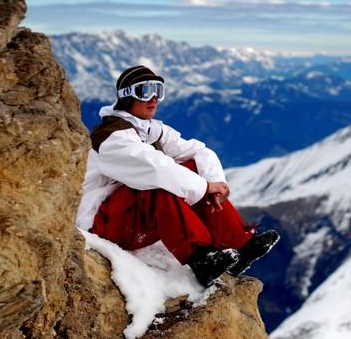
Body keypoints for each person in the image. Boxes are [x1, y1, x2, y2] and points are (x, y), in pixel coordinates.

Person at [76, 65, 279, 287]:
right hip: (102, 224)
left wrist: (214, 182)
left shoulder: (150, 130)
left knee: (192, 167)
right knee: (156, 184)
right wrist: (203, 188)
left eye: (158, 91)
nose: (153, 98)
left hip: (129, 216)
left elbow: (198, 150)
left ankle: (240, 245)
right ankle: (200, 258)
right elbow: (154, 168)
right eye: (145, 91)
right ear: (126, 97)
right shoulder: (112, 138)